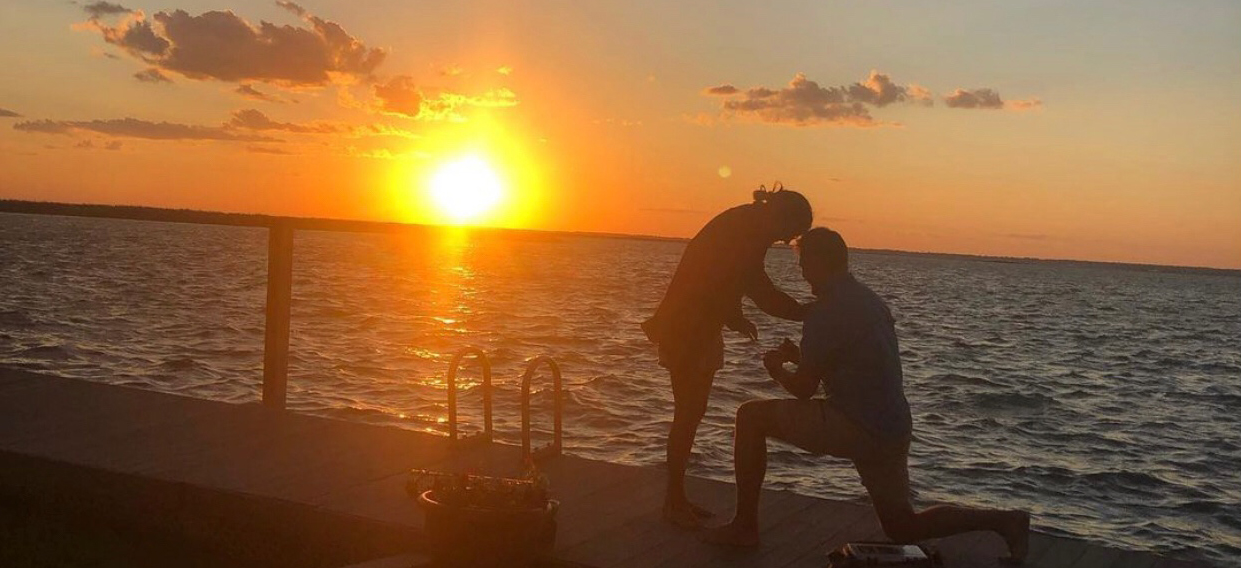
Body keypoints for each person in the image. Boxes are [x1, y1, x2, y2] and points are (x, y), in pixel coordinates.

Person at [700, 227, 1030, 564]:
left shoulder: (824, 312)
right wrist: (798, 358)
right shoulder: (869, 301)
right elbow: (852, 363)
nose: (800, 271)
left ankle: (744, 526)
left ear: (818, 262)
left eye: (803, 263)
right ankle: (1004, 521)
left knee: (750, 417)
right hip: (892, 427)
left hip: (855, 424)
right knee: (902, 526)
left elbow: (803, 389)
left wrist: (776, 368)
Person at [643, 185, 813, 528]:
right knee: (688, 414)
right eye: (789, 232)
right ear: (781, 216)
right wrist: (808, 313)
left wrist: (735, 317)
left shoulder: (748, 223)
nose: (784, 240)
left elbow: (726, 278)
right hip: (686, 330)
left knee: (691, 413)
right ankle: (673, 504)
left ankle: (676, 499)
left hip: (698, 327)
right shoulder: (746, 229)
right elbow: (756, 288)